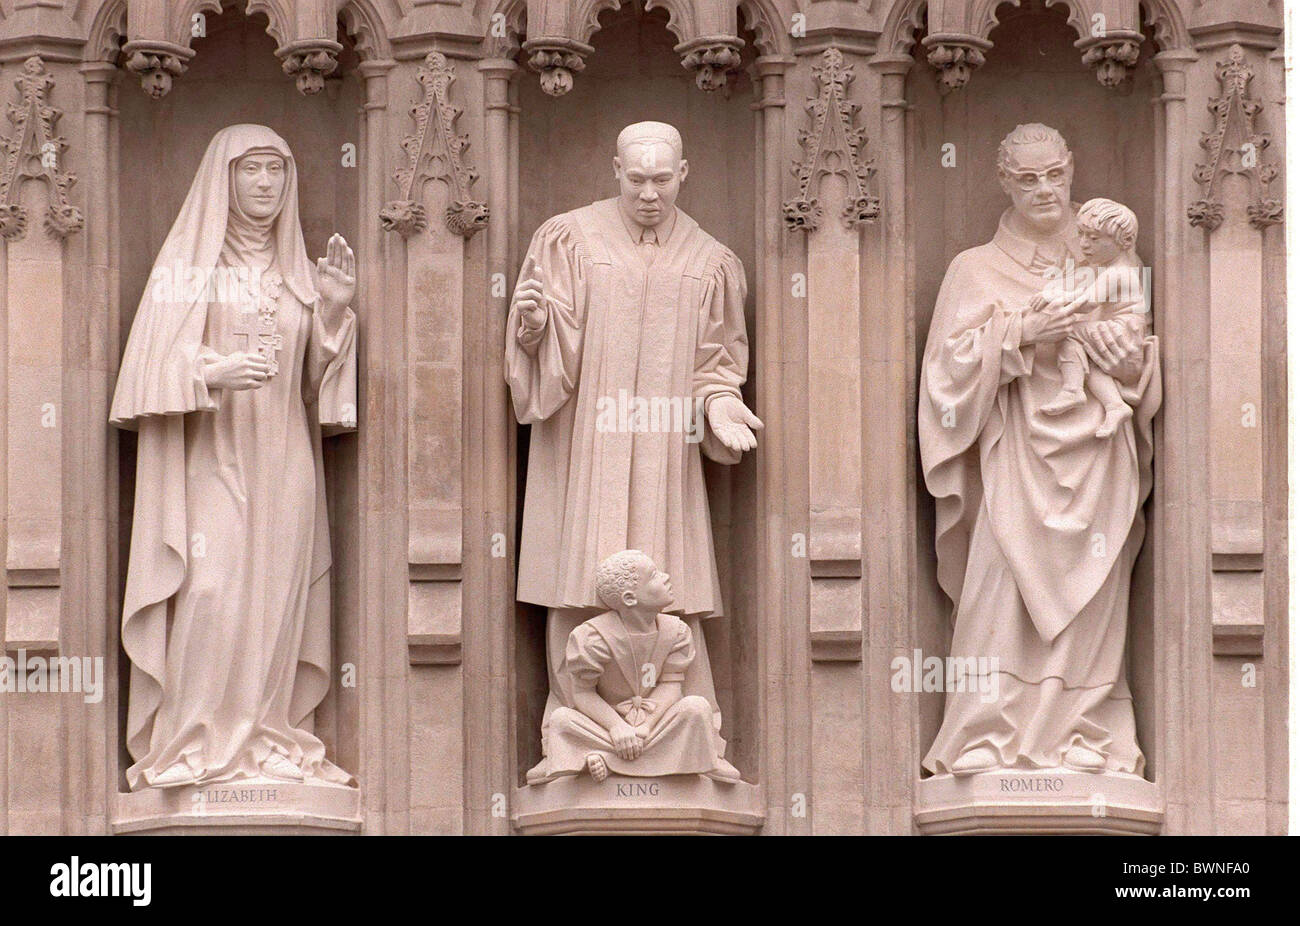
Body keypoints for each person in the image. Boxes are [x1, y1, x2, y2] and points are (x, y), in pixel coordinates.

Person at [111, 124, 357, 789]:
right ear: (225, 178)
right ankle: (191, 743)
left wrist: (333, 316)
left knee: (276, 600)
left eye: (277, 170)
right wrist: (215, 369)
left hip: (284, 458)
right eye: (251, 170)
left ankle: (266, 737)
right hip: (210, 459)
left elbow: (320, 393)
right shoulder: (189, 269)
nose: (265, 184)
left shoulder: (298, 275)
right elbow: (147, 374)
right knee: (213, 589)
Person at [919, 124, 1161, 777]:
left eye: (1054, 173)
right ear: (1005, 182)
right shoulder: (974, 269)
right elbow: (944, 376)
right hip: (1013, 452)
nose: (1044, 189)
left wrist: (1122, 357)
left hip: (1097, 454)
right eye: (1027, 179)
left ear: (1071, 167)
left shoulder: (1114, 261)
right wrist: (1024, 332)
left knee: (1094, 591)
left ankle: (1087, 731)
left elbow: (1134, 354)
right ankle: (985, 730)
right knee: (1000, 585)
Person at [528, 550, 740, 783]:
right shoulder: (592, 637)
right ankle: (635, 757)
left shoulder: (677, 632)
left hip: (653, 725)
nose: (667, 577)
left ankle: (607, 759)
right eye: (654, 575)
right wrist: (617, 728)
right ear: (630, 598)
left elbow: (672, 685)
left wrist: (645, 728)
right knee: (562, 720)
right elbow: (583, 693)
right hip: (607, 726)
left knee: (697, 707)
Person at [1038, 198, 1148, 438]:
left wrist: (1054, 302)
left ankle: (1072, 388)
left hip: (1122, 332)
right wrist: (1056, 292)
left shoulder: (1117, 273)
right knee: (1090, 357)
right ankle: (1115, 405)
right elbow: (1084, 293)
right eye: (1082, 235)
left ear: (1124, 242)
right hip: (1125, 333)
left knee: (1067, 330)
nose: (1084, 244)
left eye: (1094, 239)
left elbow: (1086, 303)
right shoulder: (1120, 266)